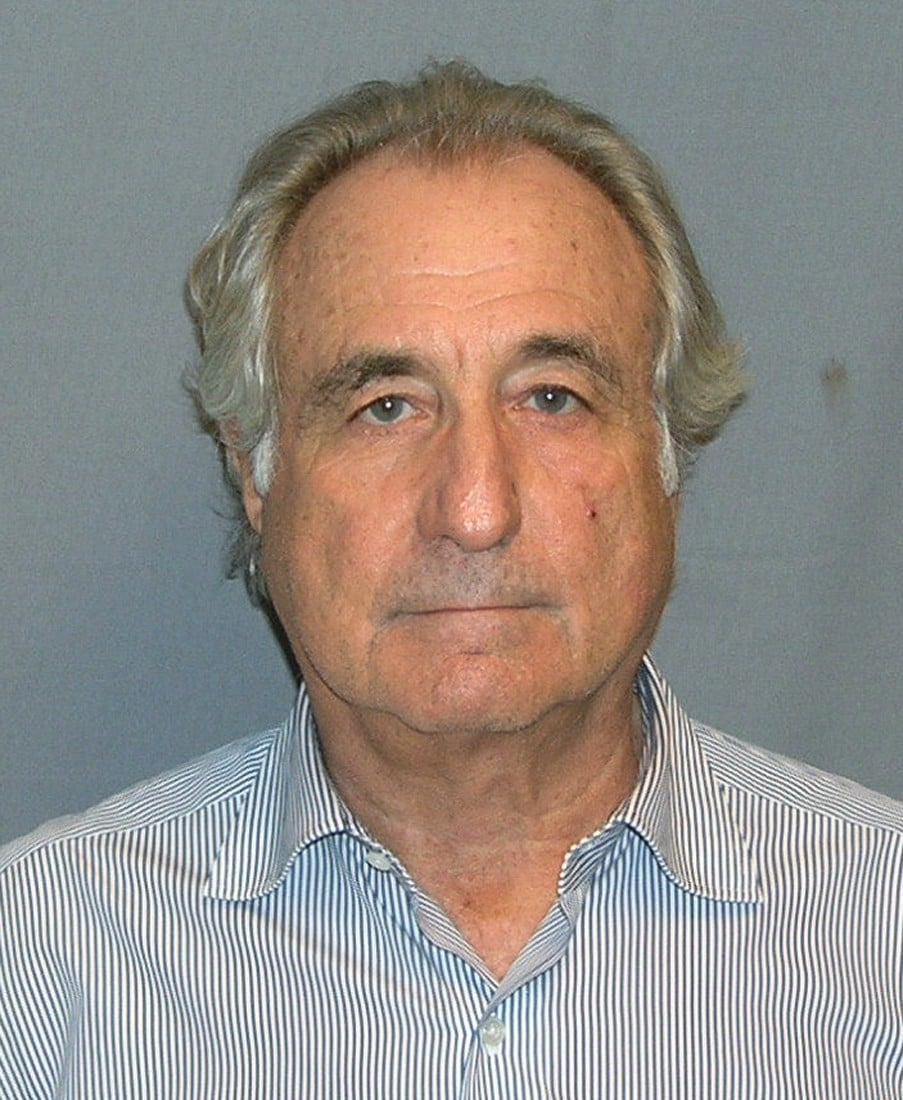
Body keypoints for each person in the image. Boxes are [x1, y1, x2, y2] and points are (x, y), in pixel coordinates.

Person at [1, 62, 900, 1098]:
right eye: (386, 404)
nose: (476, 509)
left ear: (666, 454)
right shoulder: (42, 973)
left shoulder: (884, 935)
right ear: (256, 468)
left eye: (552, 396)